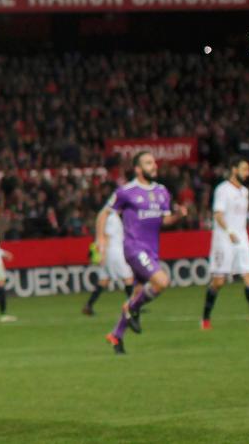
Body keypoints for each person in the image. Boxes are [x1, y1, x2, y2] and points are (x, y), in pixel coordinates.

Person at [105, 152, 188, 355]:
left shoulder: (162, 192)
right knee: (161, 281)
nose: (154, 166)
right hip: (134, 247)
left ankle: (116, 335)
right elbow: (106, 212)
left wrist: (178, 215)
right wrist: (101, 238)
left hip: (152, 250)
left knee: (137, 293)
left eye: (154, 162)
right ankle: (133, 309)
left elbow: (164, 221)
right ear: (138, 169)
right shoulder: (126, 191)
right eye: (149, 163)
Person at [202, 158, 249, 329]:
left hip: (242, 238)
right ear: (234, 169)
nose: (247, 173)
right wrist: (229, 231)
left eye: (248, 170)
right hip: (224, 239)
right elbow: (218, 215)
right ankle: (205, 319)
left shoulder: (244, 191)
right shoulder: (223, 189)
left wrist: (238, 233)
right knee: (218, 281)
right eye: (244, 169)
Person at [83, 203, 136, 316]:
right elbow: (106, 236)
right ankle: (133, 306)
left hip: (108, 253)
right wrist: (102, 253)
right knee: (128, 278)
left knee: (104, 280)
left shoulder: (111, 217)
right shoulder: (112, 218)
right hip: (114, 252)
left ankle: (89, 305)